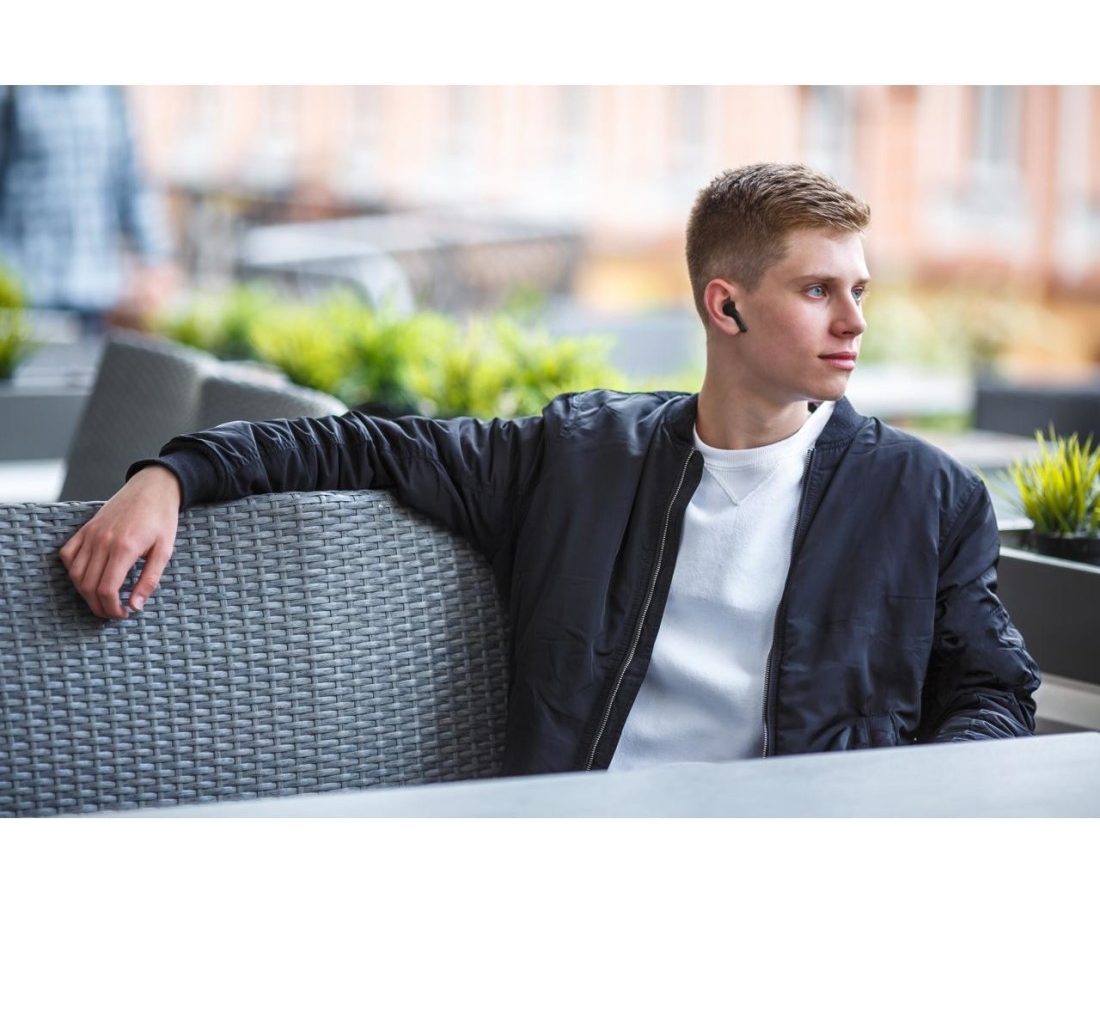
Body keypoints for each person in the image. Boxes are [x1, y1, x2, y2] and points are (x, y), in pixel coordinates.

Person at [59, 162, 1038, 775]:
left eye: (859, 290)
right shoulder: (578, 457)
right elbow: (362, 442)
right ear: (725, 305)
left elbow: (991, 694)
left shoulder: (925, 497)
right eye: (818, 290)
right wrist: (171, 476)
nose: (853, 321)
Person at [0, 85, 176, 334]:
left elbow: (133, 184)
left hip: (94, 294)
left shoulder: (108, 96)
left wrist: (156, 259)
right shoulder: (13, 93)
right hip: (26, 290)